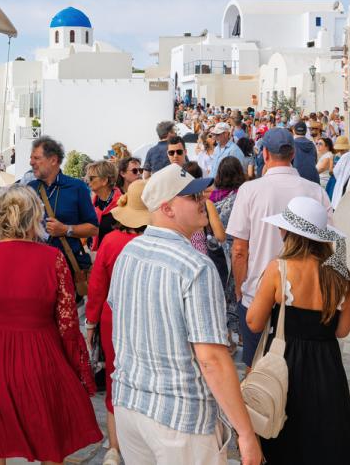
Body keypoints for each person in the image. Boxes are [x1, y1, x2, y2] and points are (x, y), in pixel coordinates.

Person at [108, 164, 263, 465]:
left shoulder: (129, 253)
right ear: (166, 208)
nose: (202, 200)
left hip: (130, 406)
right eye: (191, 197)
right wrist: (245, 433)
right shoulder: (196, 267)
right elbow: (212, 359)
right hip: (180, 418)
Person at [0, 186, 102, 463]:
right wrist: (78, 370)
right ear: (35, 218)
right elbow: (67, 323)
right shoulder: (53, 259)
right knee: (51, 441)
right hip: (42, 359)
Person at [246, 197, 350, 464]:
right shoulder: (341, 274)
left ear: (290, 232)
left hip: (286, 365)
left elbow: (254, 322)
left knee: (287, 441)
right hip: (328, 367)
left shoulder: (278, 269)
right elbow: (342, 331)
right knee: (325, 439)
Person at [226, 127, 332, 368]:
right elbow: (328, 243)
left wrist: (242, 289)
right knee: (300, 370)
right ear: (293, 154)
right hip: (305, 298)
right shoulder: (315, 191)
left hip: (257, 293)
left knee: (257, 370)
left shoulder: (250, 190)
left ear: (264, 154)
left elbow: (240, 249)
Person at [84, 180, 150, 465]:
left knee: (115, 380)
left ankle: (114, 448)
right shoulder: (157, 241)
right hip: (149, 320)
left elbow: (97, 288)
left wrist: (90, 324)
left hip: (114, 321)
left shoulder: (110, 242)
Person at [28, 136, 99, 274]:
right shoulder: (29, 189)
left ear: (53, 160)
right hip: (36, 267)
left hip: (68, 267)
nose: (31, 162)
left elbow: (93, 229)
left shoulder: (76, 187)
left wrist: (66, 229)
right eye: (31, 158)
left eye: (36, 158)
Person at [208, 156, 247, 351]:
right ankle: (241, 335)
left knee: (220, 296)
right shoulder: (241, 196)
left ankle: (227, 339)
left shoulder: (212, 198)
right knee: (238, 293)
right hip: (237, 250)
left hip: (216, 252)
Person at [85, 160, 122, 251]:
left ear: (105, 180)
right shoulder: (91, 203)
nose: (87, 182)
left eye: (91, 178)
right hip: (94, 254)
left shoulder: (122, 204)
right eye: (87, 178)